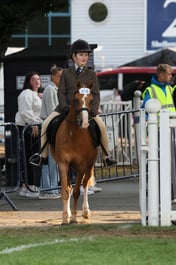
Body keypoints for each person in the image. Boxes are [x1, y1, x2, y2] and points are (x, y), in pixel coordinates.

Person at [30, 39, 116, 189]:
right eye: (81, 55)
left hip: (85, 109)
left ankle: (106, 156)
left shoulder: (91, 74)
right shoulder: (66, 73)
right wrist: (63, 107)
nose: (84, 57)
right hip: (66, 108)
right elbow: (61, 92)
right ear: (74, 57)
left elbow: (95, 94)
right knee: (45, 124)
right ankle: (42, 156)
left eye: (86, 55)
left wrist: (94, 109)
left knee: (101, 126)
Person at [142, 63, 176, 203]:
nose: (171, 76)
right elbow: (146, 111)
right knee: (164, 162)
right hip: (159, 130)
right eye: (169, 74)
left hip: (172, 127)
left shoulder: (169, 88)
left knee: (172, 162)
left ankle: (172, 192)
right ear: (161, 74)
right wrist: (147, 132)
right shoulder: (151, 90)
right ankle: (165, 193)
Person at [15, 71, 43, 198]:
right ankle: (29, 186)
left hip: (34, 126)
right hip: (28, 128)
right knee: (30, 157)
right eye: (33, 79)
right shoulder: (26, 93)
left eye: (38, 79)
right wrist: (33, 124)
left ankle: (28, 186)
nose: (36, 81)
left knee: (31, 156)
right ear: (28, 82)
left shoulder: (36, 94)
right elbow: (25, 111)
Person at [39, 65, 63, 199]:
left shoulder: (57, 89)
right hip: (50, 124)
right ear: (53, 76)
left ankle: (53, 187)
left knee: (56, 160)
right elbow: (51, 111)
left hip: (56, 124)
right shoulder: (50, 90)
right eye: (60, 76)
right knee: (50, 160)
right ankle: (48, 189)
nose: (61, 79)